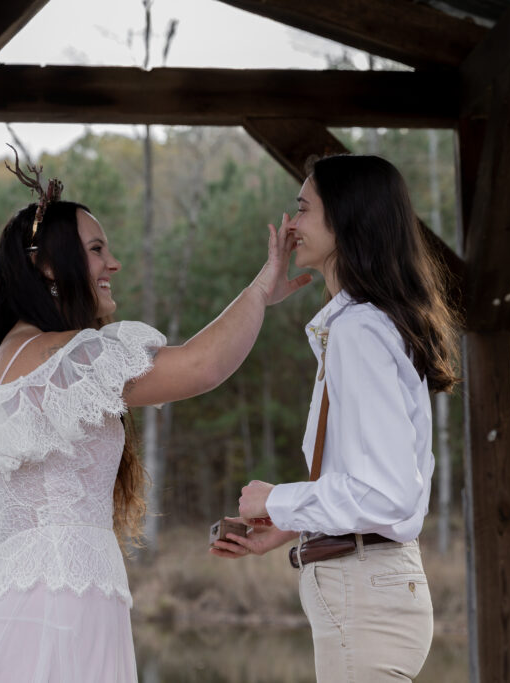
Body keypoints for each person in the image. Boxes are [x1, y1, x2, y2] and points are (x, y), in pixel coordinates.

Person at [0, 152, 312, 682]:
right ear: (47, 265)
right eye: (95, 250)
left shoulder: (20, 352)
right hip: (53, 613)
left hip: (50, 601)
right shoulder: (55, 354)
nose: (113, 264)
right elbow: (200, 367)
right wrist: (260, 288)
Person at [210, 154, 459, 682]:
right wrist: (290, 524)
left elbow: (387, 491)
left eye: (301, 209)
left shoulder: (359, 331)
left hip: (367, 596)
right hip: (373, 590)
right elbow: (382, 484)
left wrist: (276, 499)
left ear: (345, 219)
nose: (289, 226)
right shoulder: (365, 325)